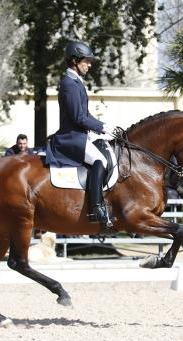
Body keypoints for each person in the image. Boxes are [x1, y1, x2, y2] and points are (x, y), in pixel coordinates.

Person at [45, 41, 116, 227]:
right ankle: (97, 208)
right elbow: (78, 117)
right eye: (87, 61)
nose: (89, 65)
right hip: (71, 137)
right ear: (75, 61)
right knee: (99, 161)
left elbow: (85, 114)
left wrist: (103, 126)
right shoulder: (69, 84)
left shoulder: (76, 82)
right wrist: (102, 127)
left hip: (80, 133)